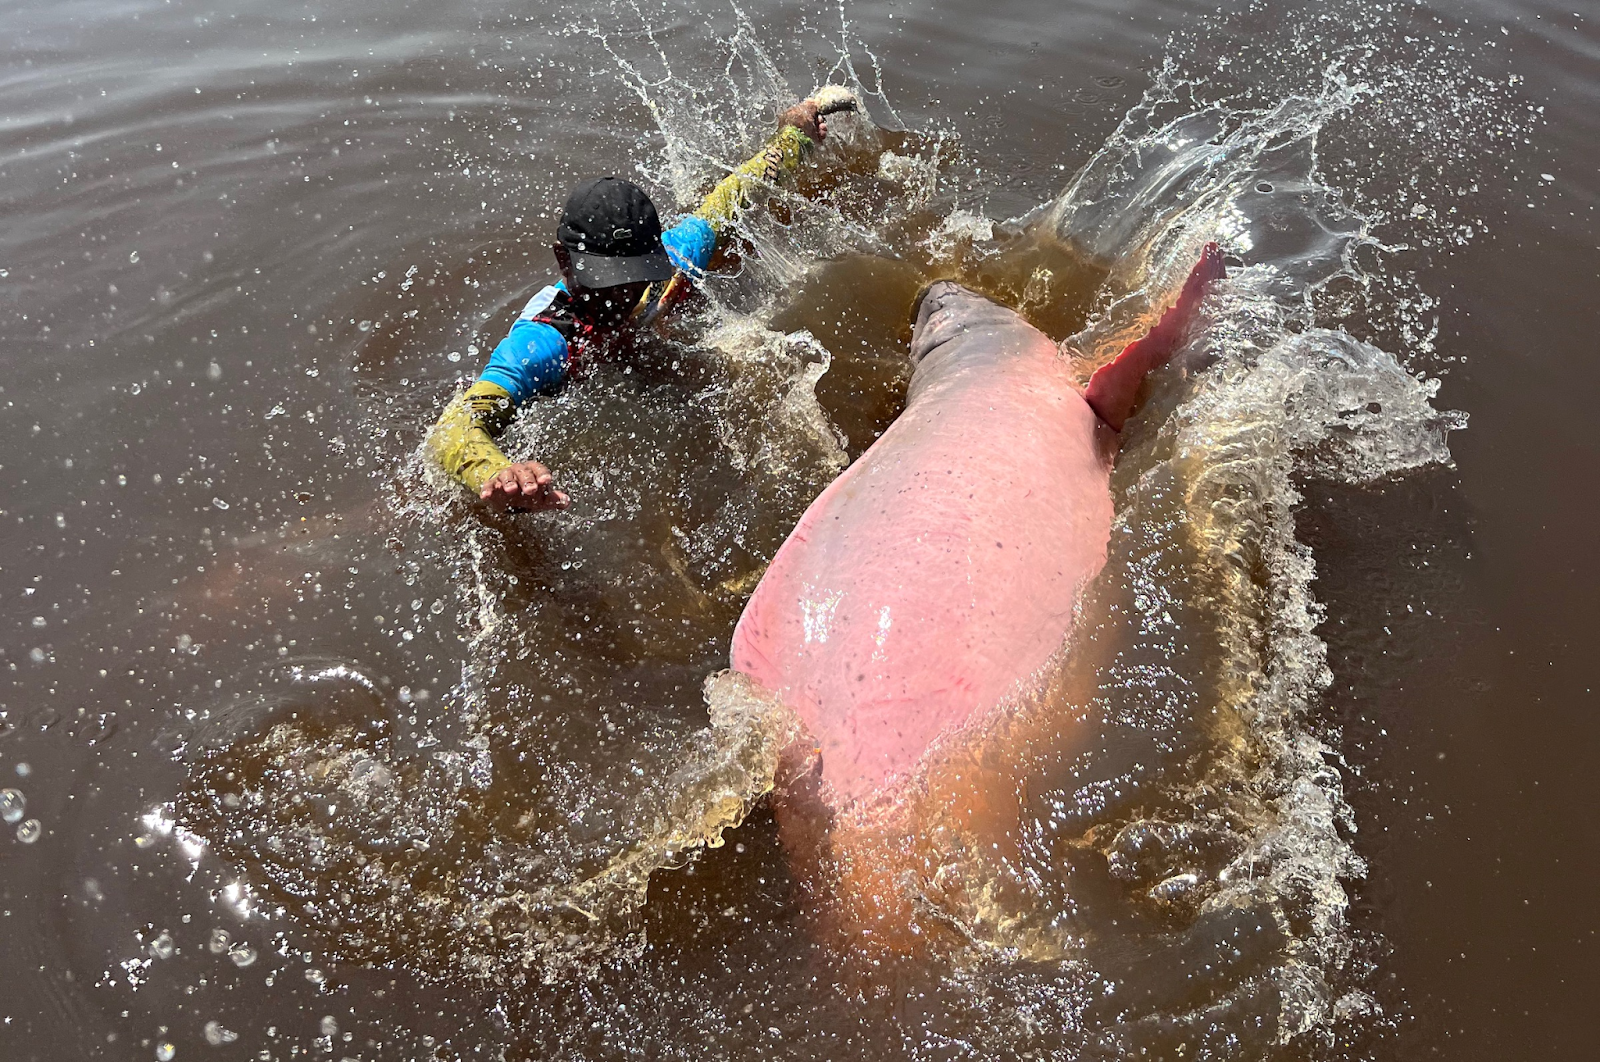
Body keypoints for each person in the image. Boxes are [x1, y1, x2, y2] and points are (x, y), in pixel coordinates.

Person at [426, 98, 837, 512]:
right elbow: (453, 427)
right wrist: (495, 472)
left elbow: (738, 191)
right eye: (606, 281)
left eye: (636, 274)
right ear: (564, 261)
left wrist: (795, 136)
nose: (623, 294)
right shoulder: (544, 341)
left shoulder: (676, 256)